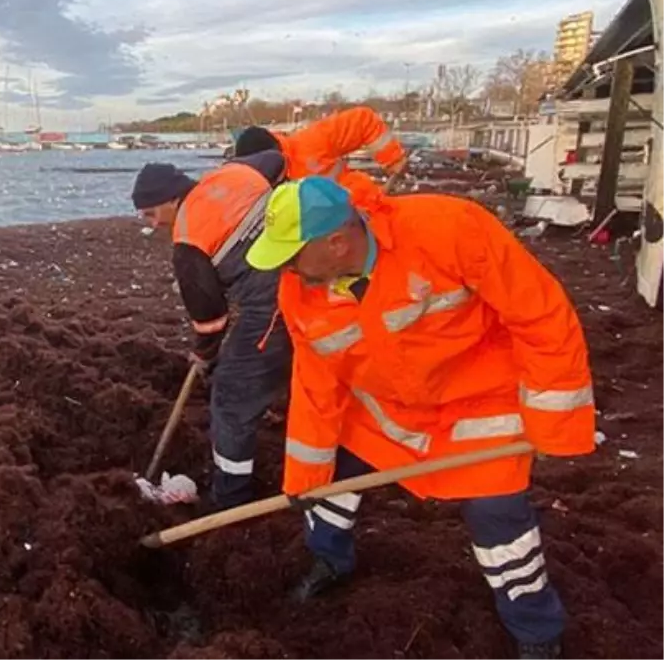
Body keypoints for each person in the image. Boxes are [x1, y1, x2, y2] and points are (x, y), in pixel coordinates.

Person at [244, 176, 596, 660]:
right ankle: (329, 559)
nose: (284, 268)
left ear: (337, 242)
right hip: (382, 412)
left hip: (478, 407)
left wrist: (555, 424)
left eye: (290, 254)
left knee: (499, 521)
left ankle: (536, 632)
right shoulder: (301, 290)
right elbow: (315, 384)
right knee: (328, 483)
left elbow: (541, 316)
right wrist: (304, 478)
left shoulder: (449, 229)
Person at [130, 151, 293, 510]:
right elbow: (276, 158)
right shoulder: (234, 172)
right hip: (312, 273)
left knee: (231, 397)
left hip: (276, 306)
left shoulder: (188, 240)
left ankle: (229, 498)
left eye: (152, 213)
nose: (153, 224)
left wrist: (203, 354)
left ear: (173, 199)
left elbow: (211, 319)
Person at [232, 106, 406, 184]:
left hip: (358, 209)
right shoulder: (254, 184)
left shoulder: (313, 141)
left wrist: (393, 161)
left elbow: (363, 120)